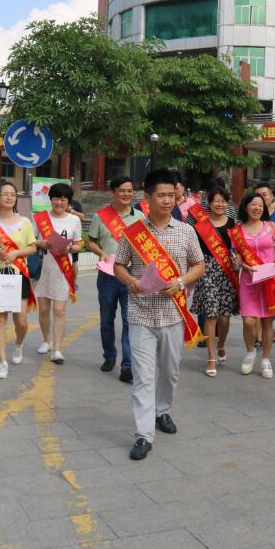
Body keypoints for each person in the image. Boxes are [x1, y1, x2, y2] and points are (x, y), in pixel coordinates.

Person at [114, 169, 205, 461]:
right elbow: (119, 265)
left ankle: (162, 411)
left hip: (173, 314)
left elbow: (199, 265)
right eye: (161, 195)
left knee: (170, 371)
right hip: (140, 314)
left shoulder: (186, 231)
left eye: (171, 195)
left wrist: (180, 281)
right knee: (143, 376)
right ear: (148, 198)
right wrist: (131, 281)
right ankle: (143, 434)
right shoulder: (133, 233)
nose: (167, 200)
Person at [87, 176, 144, 383]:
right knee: (106, 320)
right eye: (122, 190)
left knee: (129, 322)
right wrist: (101, 252)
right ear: (113, 192)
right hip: (107, 275)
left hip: (130, 275)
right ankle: (109, 355)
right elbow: (91, 241)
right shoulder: (100, 216)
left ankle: (127, 366)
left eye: (130, 190)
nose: (127, 194)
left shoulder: (140, 217)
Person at [0, 181, 37, 380]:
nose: (9, 197)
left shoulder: (25, 222)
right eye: (5, 194)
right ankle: (2, 362)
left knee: (21, 320)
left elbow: (33, 247)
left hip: (18, 273)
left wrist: (16, 253)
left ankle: (18, 344)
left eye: (13, 194)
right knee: (0, 319)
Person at [230, 192, 275, 379]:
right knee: (248, 321)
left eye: (260, 205)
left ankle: (265, 359)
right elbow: (236, 255)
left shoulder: (270, 226)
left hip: (269, 281)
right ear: (246, 207)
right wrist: (241, 263)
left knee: (267, 322)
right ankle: (250, 352)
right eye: (253, 204)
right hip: (249, 281)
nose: (257, 208)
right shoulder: (237, 231)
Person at [189, 188, 238, 377]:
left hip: (227, 272)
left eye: (223, 201)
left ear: (227, 203)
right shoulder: (200, 227)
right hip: (207, 271)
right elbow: (193, 252)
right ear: (209, 203)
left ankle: (221, 345)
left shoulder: (233, 224)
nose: (219, 204)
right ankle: (211, 357)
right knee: (211, 316)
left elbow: (239, 248)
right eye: (216, 201)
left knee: (224, 317)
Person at [33, 182, 83, 364]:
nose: (59, 202)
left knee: (59, 311)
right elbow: (30, 241)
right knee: (44, 309)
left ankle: (57, 349)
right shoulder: (39, 218)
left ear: (68, 201)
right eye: (56, 198)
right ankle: (46, 341)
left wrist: (69, 248)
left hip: (63, 269)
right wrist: (41, 243)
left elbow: (79, 244)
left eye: (63, 199)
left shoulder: (74, 220)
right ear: (50, 199)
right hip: (44, 268)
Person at [251, 182, 275, 345]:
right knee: (256, 304)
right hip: (254, 268)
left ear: (271, 196)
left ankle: (267, 326)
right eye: (257, 196)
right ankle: (259, 338)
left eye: (264, 195)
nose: (261, 199)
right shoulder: (251, 215)